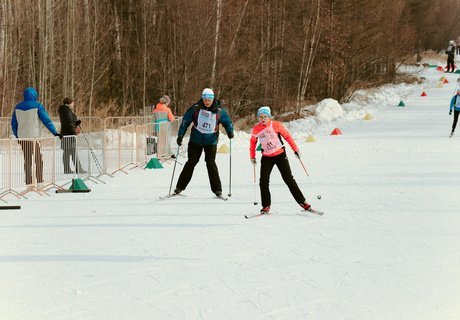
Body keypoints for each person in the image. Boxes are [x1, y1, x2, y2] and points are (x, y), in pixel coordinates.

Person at [249, 106, 311, 214]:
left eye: (265, 116)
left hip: (280, 155)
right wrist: (252, 156)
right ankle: (266, 205)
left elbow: (288, 137)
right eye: (260, 117)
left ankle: (303, 202)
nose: (263, 119)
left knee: (289, 179)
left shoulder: (277, 126)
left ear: (269, 117)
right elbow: (252, 143)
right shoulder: (256, 129)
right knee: (263, 181)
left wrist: (295, 149)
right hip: (267, 157)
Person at [174, 88, 234, 197]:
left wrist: (230, 131)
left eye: (209, 99)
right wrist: (180, 136)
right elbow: (185, 121)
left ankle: (217, 190)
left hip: (211, 141)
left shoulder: (219, 111)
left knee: (210, 163)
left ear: (212, 99)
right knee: (191, 162)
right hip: (195, 140)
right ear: (202, 98)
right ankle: (179, 187)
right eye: (205, 99)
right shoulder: (195, 108)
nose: (207, 102)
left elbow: (227, 122)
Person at [11, 87, 61, 185]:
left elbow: (14, 125)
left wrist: (17, 137)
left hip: (23, 138)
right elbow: (46, 120)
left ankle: (29, 182)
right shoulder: (38, 106)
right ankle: (39, 181)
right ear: (34, 95)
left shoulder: (17, 107)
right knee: (38, 159)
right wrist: (54, 132)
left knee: (27, 159)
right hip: (34, 138)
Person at [58, 97, 86, 174]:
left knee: (67, 152)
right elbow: (69, 124)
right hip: (69, 135)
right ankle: (78, 169)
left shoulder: (64, 111)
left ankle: (67, 169)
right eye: (73, 103)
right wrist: (74, 133)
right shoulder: (67, 111)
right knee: (73, 152)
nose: (73, 104)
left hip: (65, 134)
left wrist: (76, 123)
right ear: (69, 103)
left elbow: (69, 122)